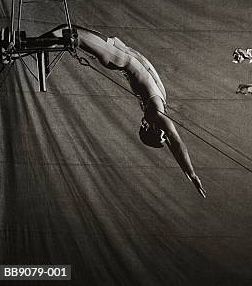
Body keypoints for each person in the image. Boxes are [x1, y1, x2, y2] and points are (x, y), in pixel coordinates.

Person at [41, 24, 206, 197]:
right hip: (119, 52)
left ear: (151, 127)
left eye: (162, 137)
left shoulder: (153, 113)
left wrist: (190, 172)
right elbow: (175, 143)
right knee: (67, 30)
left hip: (117, 56)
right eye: (165, 137)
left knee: (70, 33)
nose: (166, 136)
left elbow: (175, 142)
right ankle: (37, 47)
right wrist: (190, 173)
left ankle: (31, 47)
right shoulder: (159, 107)